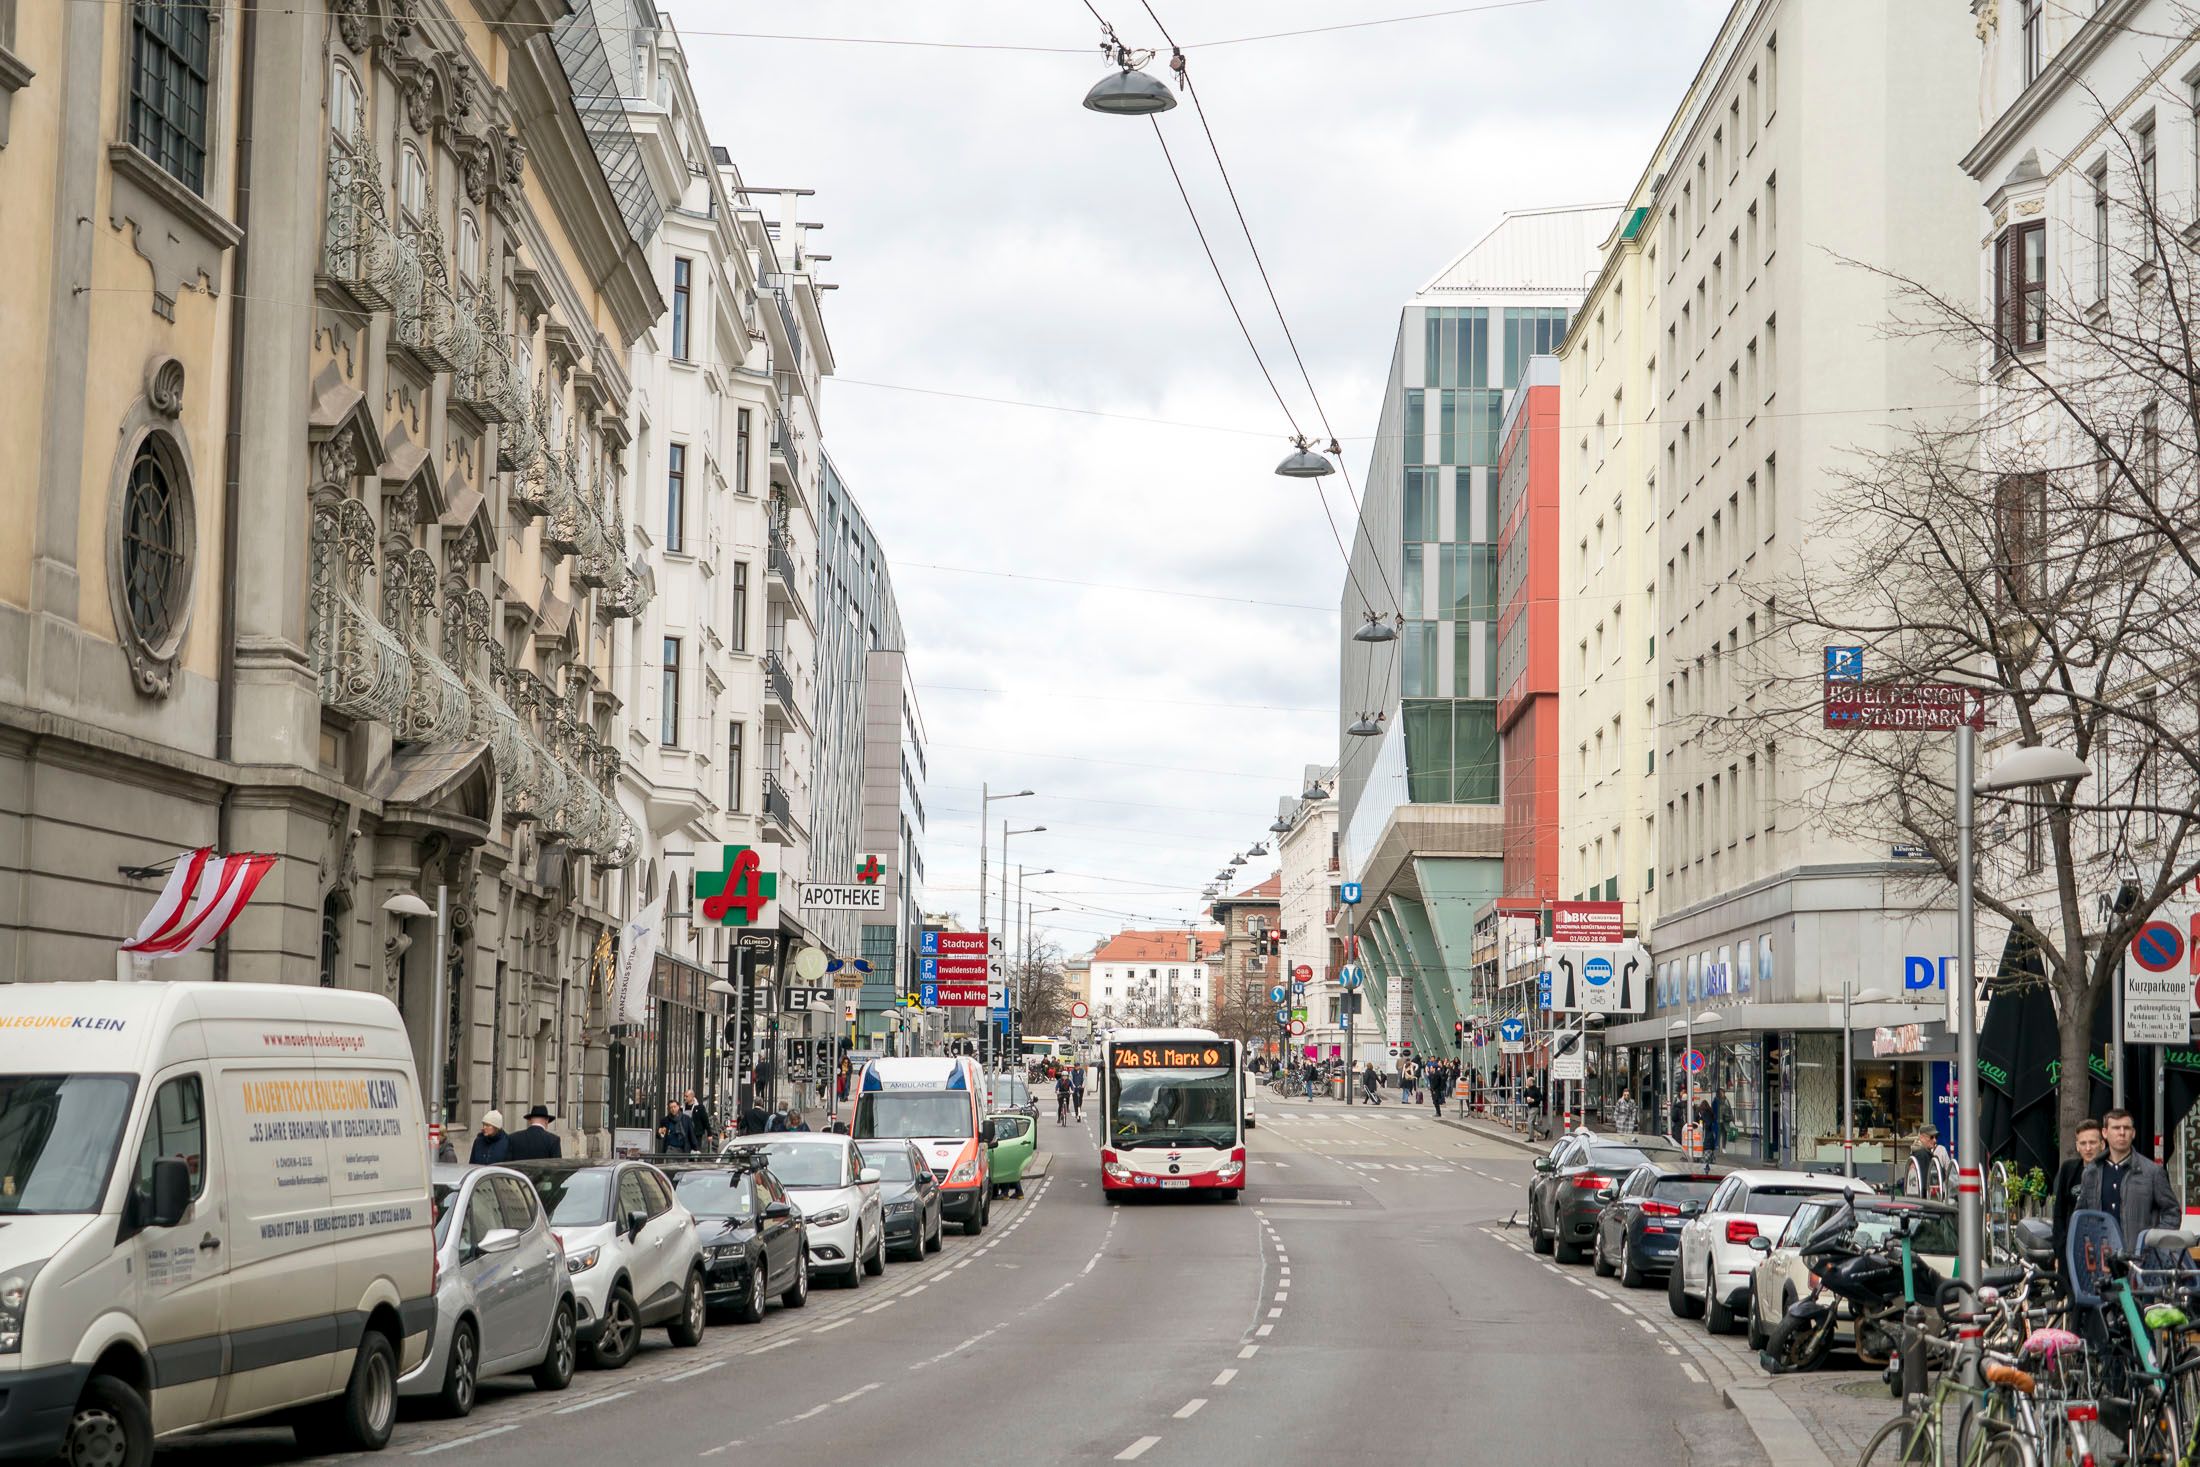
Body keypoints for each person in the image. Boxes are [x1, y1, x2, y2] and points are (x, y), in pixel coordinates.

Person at [2079, 1108, 2182, 1245]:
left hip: (2139, 1260)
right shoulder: (2091, 1173)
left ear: (2133, 1133)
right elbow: (2081, 1217)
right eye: (2116, 1128)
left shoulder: (2152, 1172)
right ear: (2104, 1133)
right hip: (2101, 1259)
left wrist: (2152, 1244)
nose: (2122, 1133)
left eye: (2126, 1128)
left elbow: (2172, 1212)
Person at [2051, 1117, 2105, 1265]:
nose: (2088, 1148)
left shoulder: (2109, 1171)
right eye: (2083, 1143)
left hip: (2102, 1248)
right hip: (2071, 1249)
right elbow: (2059, 1212)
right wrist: (2059, 1251)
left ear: (2102, 1144)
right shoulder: (2069, 1169)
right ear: (2077, 1146)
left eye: (2092, 1143)